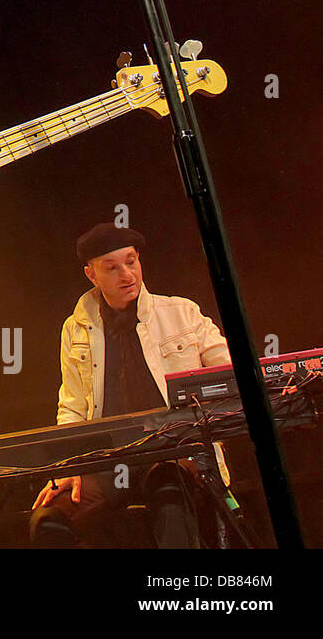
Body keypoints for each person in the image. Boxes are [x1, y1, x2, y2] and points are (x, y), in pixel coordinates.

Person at [30, 222, 232, 546]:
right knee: (48, 519)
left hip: (172, 454)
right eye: (112, 267)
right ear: (91, 275)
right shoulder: (75, 328)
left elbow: (230, 379)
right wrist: (67, 466)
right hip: (108, 461)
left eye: (131, 261)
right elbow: (71, 406)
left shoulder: (182, 312)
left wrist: (201, 434)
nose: (127, 274)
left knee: (169, 491)